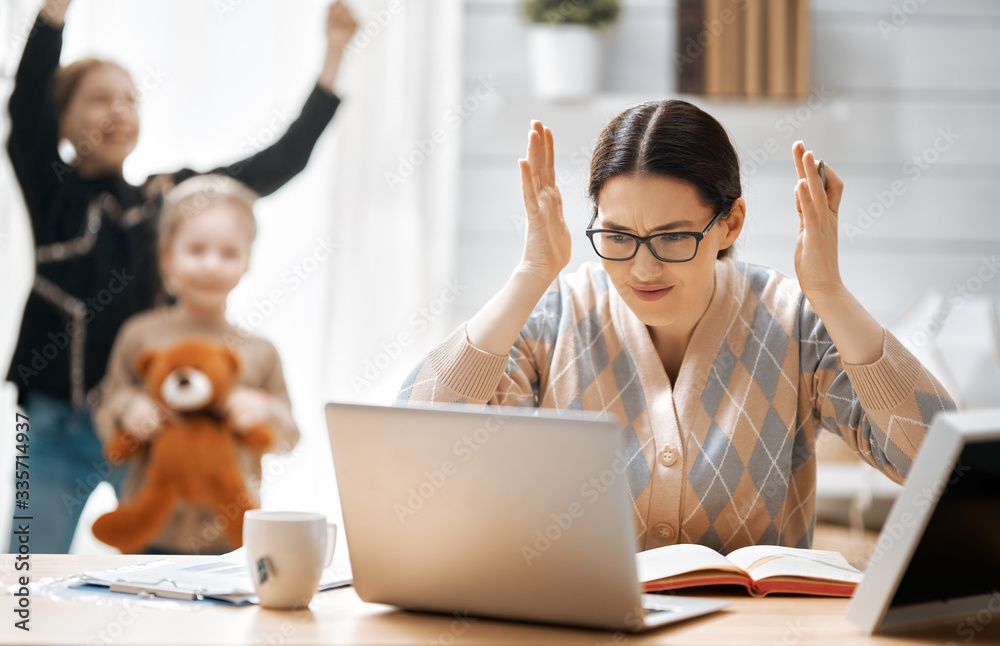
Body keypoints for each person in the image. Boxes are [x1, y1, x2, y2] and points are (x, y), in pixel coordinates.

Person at [397, 103, 956, 553]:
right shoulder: (554, 316)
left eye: (672, 237)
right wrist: (531, 273)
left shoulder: (794, 322)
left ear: (729, 223)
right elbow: (415, 448)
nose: (642, 268)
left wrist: (830, 294)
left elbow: (940, 463)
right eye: (616, 236)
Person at [5, 0, 356, 553]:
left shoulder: (168, 200)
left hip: (149, 425)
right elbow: (25, 111)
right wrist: (52, 15)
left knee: (162, 560)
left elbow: (278, 161)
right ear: (63, 117)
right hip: (53, 428)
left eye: (130, 98)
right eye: (99, 98)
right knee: (24, 577)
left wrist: (334, 54)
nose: (119, 109)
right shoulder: (53, 194)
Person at [91, 175, 299, 555]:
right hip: (150, 536)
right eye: (197, 249)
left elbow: (290, 435)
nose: (211, 265)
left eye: (228, 253)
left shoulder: (260, 350)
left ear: (247, 261)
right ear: (168, 255)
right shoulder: (140, 334)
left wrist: (263, 410)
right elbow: (107, 407)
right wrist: (129, 408)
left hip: (232, 541)